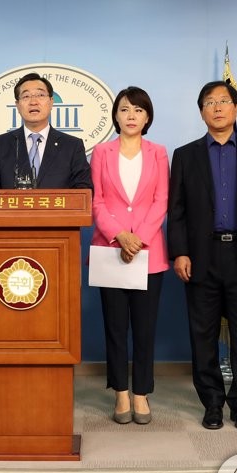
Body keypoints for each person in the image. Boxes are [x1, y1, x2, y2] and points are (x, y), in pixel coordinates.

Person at [168, 80, 237, 431]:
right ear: (201, 112)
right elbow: (177, 210)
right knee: (203, 335)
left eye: (224, 101)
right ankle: (212, 403)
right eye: (210, 102)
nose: (217, 108)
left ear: (236, 108)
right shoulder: (185, 155)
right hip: (202, 256)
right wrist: (180, 252)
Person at [90, 87, 169, 425]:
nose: (131, 115)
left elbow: (161, 200)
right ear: (116, 116)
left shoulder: (158, 152)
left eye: (138, 110)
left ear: (147, 116)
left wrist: (139, 239)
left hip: (148, 252)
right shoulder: (101, 152)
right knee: (115, 327)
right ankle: (121, 392)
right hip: (111, 250)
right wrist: (119, 235)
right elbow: (97, 201)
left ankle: (141, 394)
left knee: (145, 329)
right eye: (124, 109)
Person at [0, 72, 92, 190]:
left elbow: (83, 190)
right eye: (26, 96)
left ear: (51, 102)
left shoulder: (72, 146)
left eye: (40, 95)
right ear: (17, 105)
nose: (33, 102)